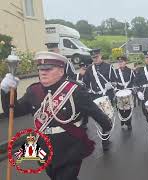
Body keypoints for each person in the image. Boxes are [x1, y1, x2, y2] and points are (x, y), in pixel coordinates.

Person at [0, 51, 112, 180]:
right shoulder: (33, 91)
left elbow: (95, 112)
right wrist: (6, 92)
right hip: (43, 147)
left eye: (48, 69)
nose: (43, 72)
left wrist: (106, 125)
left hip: (69, 148)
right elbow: (13, 112)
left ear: (61, 70)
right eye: (40, 69)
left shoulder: (75, 90)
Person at [82, 48, 117, 150]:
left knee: (106, 117)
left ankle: (105, 141)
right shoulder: (89, 69)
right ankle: (105, 139)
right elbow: (86, 83)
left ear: (100, 56)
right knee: (99, 118)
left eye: (96, 57)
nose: (95, 59)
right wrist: (88, 91)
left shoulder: (109, 67)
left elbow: (114, 81)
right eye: (93, 58)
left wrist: (111, 85)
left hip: (106, 95)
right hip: (95, 97)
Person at [115, 56, 135, 130]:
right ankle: (122, 120)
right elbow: (113, 81)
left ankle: (128, 123)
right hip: (119, 92)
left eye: (122, 61)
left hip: (128, 92)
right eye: (119, 62)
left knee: (128, 108)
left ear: (125, 62)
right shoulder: (115, 71)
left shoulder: (130, 71)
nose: (120, 63)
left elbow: (134, 80)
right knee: (119, 108)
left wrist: (132, 89)